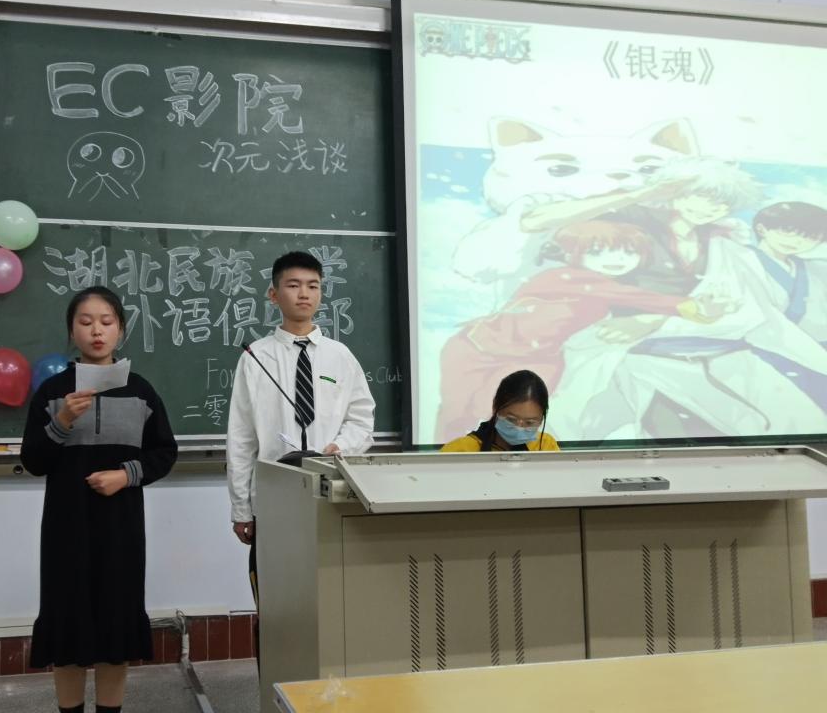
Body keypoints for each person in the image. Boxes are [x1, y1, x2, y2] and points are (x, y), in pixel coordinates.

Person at [21, 286, 178, 713]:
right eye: (86, 322)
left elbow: (164, 453)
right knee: (66, 627)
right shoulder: (53, 391)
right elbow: (34, 461)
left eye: (106, 322)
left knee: (116, 626)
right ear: (72, 330)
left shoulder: (141, 391)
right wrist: (62, 420)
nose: (96, 331)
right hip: (65, 528)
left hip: (121, 529)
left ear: (120, 330)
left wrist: (125, 476)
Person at [435, 220, 725, 442]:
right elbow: (632, 296)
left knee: (505, 413)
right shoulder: (565, 277)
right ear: (574, 253)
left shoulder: (605, 288)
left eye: (628, 251)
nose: (616, 258)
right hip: (477, 349)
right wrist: (689, 306)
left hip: (540, 358)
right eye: (598, 251)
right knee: (459, 413)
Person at [226, 250, 375, 660]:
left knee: (331, 600)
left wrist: (340, 447)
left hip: (331, 495)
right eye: (293, 286)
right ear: (274, 294)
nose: (304, 294)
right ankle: (275, 681)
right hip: (275, 500)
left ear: (321, 293)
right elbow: (241, 438)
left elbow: (362, 418)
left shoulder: (340, 356)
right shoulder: (256, 357)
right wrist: (241, 508)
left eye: (313, 286)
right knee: (278, 604)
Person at [441, 369, 559, 452]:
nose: (519, 428)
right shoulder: (460, 450)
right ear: (495, 407)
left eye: (529, 423)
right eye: (511, 419)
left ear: (542, 419)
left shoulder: (545, 446)